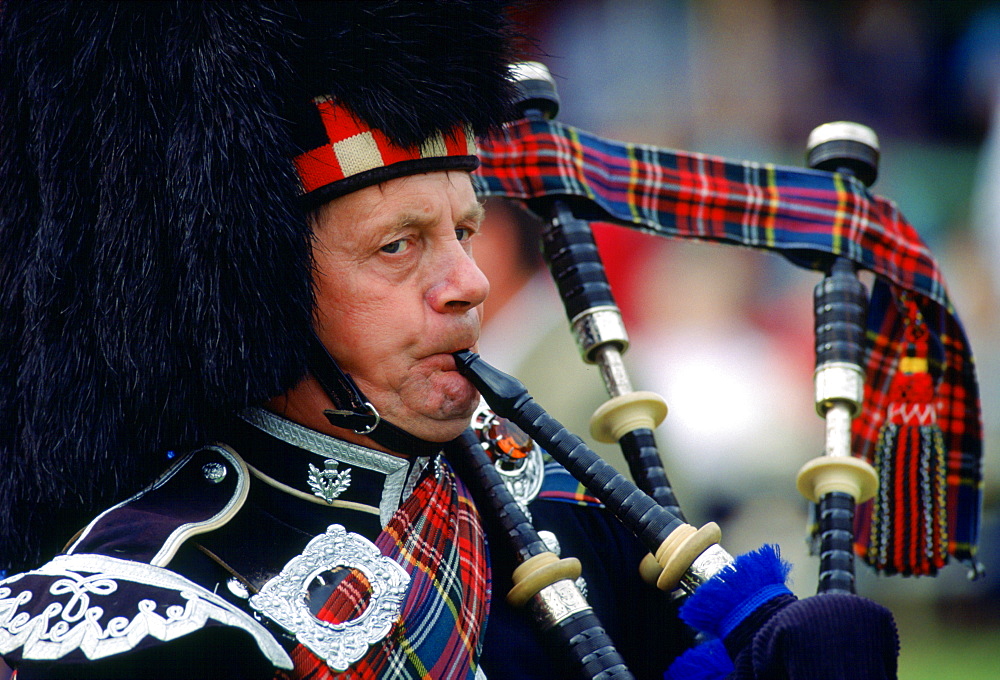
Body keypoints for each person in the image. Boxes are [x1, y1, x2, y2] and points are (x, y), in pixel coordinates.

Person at [0, 3, 691, 678]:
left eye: (465, 231)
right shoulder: (152, 599)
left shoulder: (566, 512)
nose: (471, 282)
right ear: (263, 287)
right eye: (398, 245)